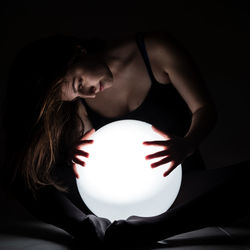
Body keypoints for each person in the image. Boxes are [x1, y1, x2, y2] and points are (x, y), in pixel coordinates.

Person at [2, 31, 249, 248]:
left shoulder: (155, 49)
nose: (88, 93)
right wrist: (73, 154)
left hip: (174, 188)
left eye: (80, 83)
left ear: (77, 52)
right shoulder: (78, 103)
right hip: (108, 199)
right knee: (19, 174)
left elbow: (205, 109)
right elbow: (85, 143)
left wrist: (188, 143)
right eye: (77, 93)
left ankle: (153, 227)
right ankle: (85, 226)